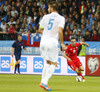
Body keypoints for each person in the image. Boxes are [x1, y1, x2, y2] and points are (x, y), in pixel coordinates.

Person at [38, 1, 66, 91]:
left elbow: (39, 30)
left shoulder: (45, 17)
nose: (48, 9)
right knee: (54, 63)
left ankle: (43, 82)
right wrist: (62, 43)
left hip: (43, 41)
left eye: (49, 7)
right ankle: (45, 82)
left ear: (51, 8)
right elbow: (60, 31)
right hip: (52, 42)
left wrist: (46, 33)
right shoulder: (61, 18)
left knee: (47, 62)